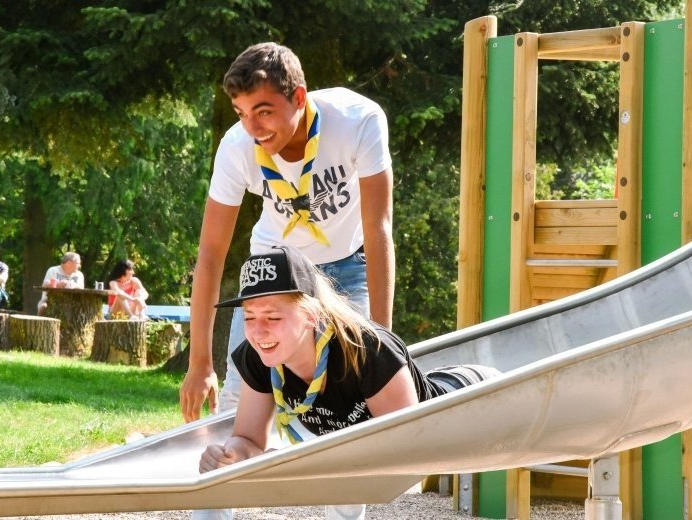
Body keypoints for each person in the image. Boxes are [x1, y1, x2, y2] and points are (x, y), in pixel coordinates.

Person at [181, 41, 396, 426]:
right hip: (273, 272)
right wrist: (199, 363)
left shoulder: (357, 119)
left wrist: (382, 339)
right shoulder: (236, 147)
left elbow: (378, 228)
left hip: (346, 265)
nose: (253, 127)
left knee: (364, 386)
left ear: (298, 97)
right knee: (239, 398)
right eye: (241, 113)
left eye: (263, 111)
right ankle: (237, 479)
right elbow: (211, 254)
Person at [199, 247, 500, 513]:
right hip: (378, 435)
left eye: (272, 318)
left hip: (475, 398)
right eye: (249, 317)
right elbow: (249, 440)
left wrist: (300, 461)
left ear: (311, 317)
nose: (258, 332)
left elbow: (405, 446)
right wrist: (230, 455)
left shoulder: (368, 350)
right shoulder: (257, 358)